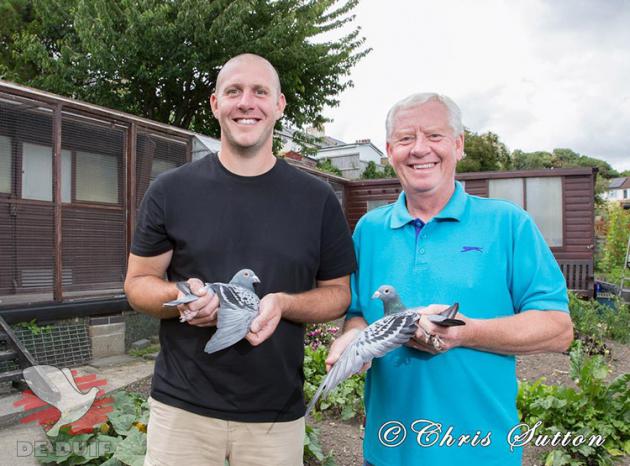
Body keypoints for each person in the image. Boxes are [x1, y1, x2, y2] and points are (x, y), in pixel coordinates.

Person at [124, 53, 356, 466]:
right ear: (216, 104)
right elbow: (138, 283)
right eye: (233, 91)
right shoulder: (170, 191)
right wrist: (182, 297)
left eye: (259, 92)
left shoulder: (317, 200)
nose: (246, 102)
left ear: (279, 105)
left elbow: (337, 295)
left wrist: (284, 303)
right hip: (182, 413)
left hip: (274, 418)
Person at [326, 93, 573, 466]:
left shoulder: (507, 223)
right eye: (406, 139)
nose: (419, 149)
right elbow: (358, 312)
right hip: (388, 451)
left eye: (435, 136)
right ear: (390, 150)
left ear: (458, 145)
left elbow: (557, 329)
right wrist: (352, 337)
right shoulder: (369, 230)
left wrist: (464, 332)